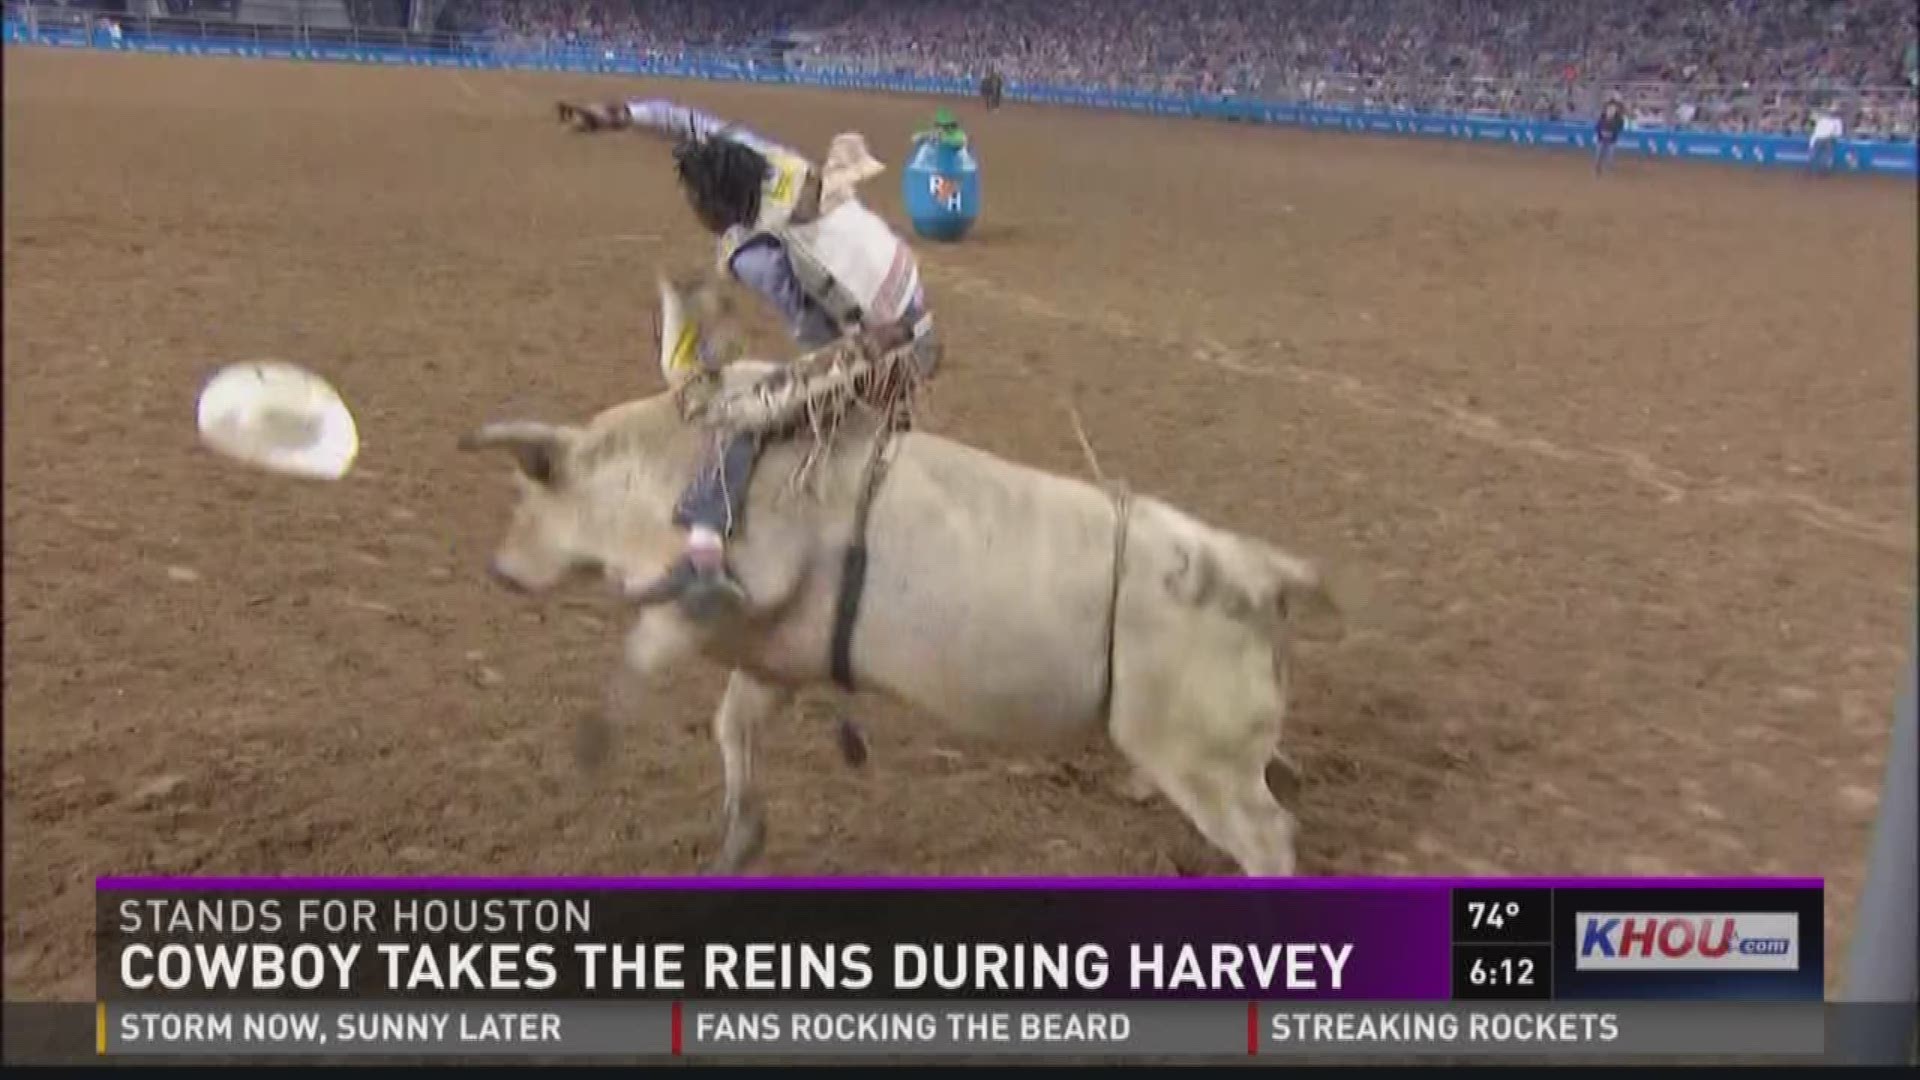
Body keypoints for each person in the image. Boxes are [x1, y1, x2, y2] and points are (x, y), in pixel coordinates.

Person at [555, 97, 941, 617]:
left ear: (718, 204)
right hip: (909, 309)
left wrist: (797, 386)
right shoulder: (771, 163)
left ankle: (705, 558)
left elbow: (816, 331)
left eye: (697, 200)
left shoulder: (767, 256)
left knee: (739, 414)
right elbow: (688, 120)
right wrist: (619, 115)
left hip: (890, 346)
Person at [1593, 99, 1626, 176]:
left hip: (1612, 140)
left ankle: (1609, 169)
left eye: (1613, 109)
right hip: (1601, 139)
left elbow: (1619, 128)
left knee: (1610, 155)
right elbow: (1597, 127)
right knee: (1598, 155)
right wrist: (1601, 132)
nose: (1611, 110)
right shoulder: (1602, 117)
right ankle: (1597, 169)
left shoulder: (1619, 119)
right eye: (1609, 108)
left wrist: (1611, 131)